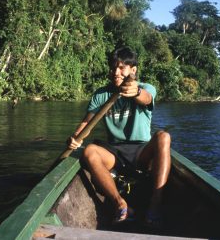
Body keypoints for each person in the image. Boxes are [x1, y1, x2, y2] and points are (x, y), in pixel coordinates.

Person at [67, 46, 171, 228]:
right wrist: (76, 138)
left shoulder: (146, 88)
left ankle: (156, 203)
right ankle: (120, 204)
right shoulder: (101, 94)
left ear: (133, 70)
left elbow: (145, 98)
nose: (116, 72)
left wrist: (136, 92)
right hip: (114, 153)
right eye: (114, 67)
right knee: (90, 151)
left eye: (122, 68)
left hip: (141, 152)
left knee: (163, 137)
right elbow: (86, 124)